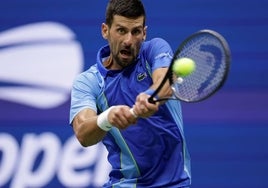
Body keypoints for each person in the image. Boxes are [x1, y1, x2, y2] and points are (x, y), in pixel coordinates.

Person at [69, 0, 191, 187]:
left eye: (135, 32)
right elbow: (83, 134)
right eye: (121, 30)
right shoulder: (89, 82)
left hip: (175, 183)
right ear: (105, 30)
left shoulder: (154, 49)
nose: (128, 40)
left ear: (144, 33)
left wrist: (151, 96)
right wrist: (107, 117)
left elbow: (165, 81)